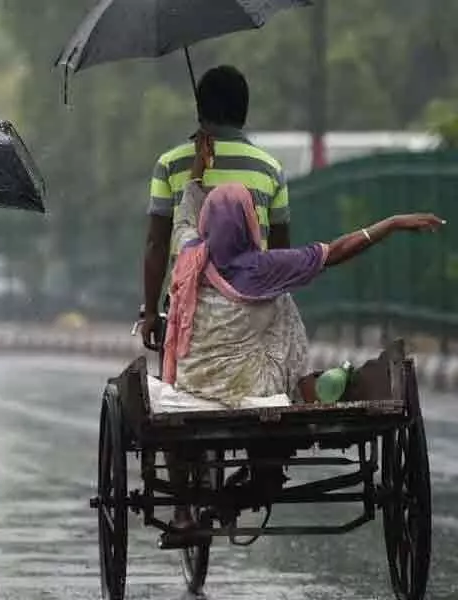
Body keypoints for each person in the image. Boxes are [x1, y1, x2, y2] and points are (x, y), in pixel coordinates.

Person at [161, 131, 444, 526]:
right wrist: (391, 223)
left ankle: (188, 510)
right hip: (253, 388)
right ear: (247, 224)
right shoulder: (265, 267)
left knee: (275, 303)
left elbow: (185, 215)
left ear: (209, 226)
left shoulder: (190, 252)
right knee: (283, 301)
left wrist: (199, 165)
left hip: (196, 384)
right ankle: (259, 470)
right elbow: (337, 251)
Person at [143, 65, 290, 348]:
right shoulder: (271, 170)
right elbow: (280, 252)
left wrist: (149, 312)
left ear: (200, 110)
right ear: (244, 112)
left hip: (187, 313)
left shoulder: (170, 165)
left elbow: (156, 244)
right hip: (250, 310)